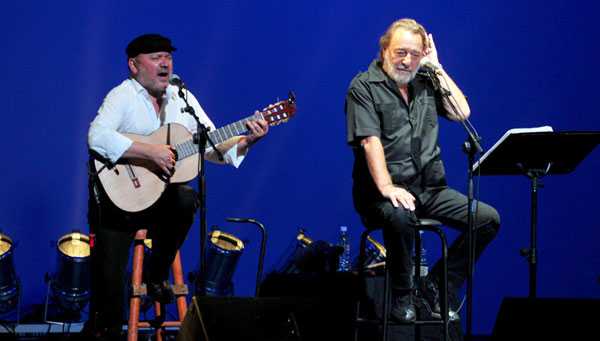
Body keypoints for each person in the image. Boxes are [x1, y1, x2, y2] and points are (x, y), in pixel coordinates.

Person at [83, 34, 268, 339]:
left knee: (186, 197)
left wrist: (248, 139)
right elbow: (97, 137)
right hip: (115, 205)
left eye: (168, 57)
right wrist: (150, 151)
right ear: (134, 65)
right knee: (109, 294)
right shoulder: (122, 95)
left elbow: (211, 144)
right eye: (156, 57)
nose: (165, 62)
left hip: (156, 202)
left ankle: (157, 276)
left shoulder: (182, 97)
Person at [345, 19, 500, 322]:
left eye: (415, 54)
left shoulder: (427, 80)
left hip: (431, 189)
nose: (407, 61)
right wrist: (388, 188)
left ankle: (438, 286)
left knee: (486, 219)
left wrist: (437, 67)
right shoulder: (363, 86)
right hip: (381, 194)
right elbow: (368, 141)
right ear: (384, 49)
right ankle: (403, 294)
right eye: (401, 52)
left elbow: (461, 113)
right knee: (400, 214)